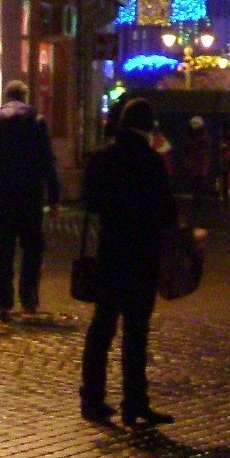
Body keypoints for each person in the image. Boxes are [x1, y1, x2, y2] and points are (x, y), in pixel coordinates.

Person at [80, 98, 181, 426]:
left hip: (111, 251)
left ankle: (92, 398)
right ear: (150, 126)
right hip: (142, 254)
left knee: (102, 327)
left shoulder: (102, 159)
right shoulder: (152, 162)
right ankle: (134, 401)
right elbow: (167, 211)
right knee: (136, 331)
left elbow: (90, 203)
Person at [0, 80, 61, 318]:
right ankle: (28, 297)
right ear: (26, 96)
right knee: (32, 247)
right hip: (29, 196)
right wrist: (54, 198)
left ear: (6, 96)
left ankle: (3, 302)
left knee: (0, 250)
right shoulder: (36, 122)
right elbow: (47, 162)